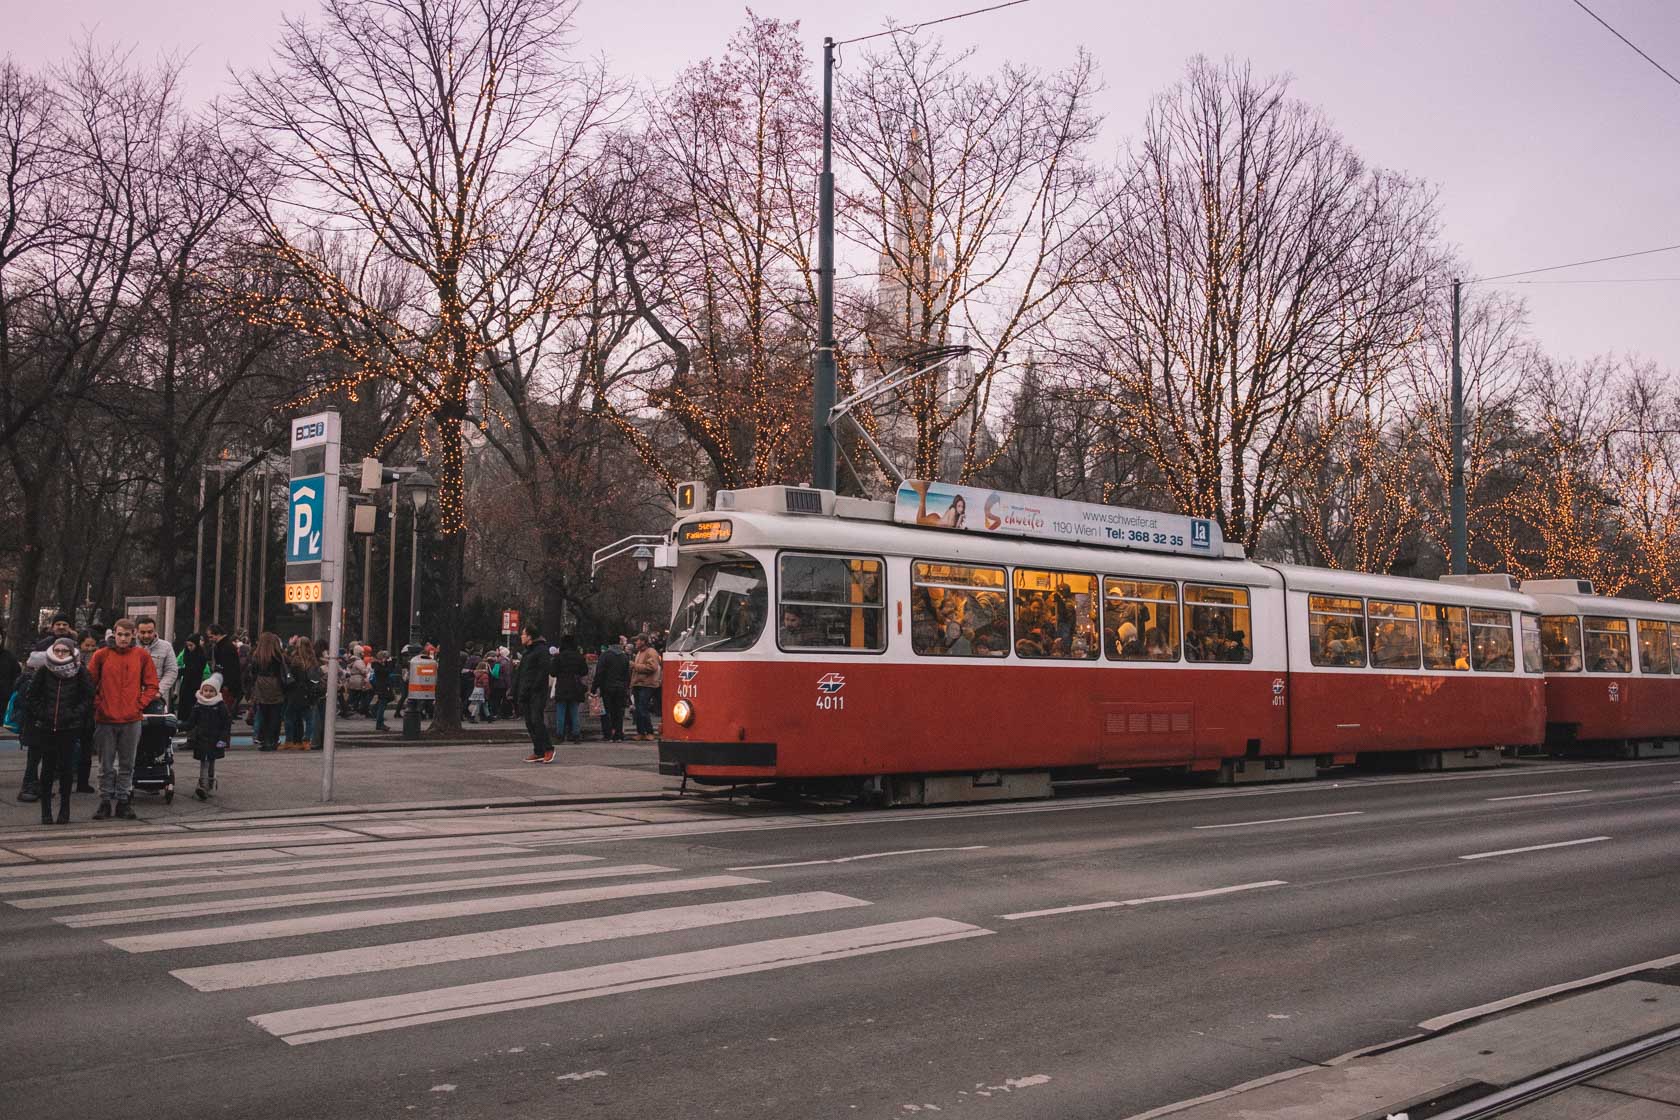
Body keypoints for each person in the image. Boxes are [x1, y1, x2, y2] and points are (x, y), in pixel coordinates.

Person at [86, 617, 159, 821]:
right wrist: (98, 704)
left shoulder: (141, 656)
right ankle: (105, 801)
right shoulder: (101, 655)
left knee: (127, 763)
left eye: (127, 635)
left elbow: (152, 684)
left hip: (131, 718)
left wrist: (139, 703)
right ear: (114, 634)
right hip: (105, 718)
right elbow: (88, 684)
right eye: (120, 634)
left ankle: (123, 800)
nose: (123, 639)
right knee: (105, 765)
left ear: (133, 635)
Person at [21, 638, 93, 825]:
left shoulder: (79, 671)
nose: (60, 654)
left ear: (71, 652)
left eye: (65, 651)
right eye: (58, 650)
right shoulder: (45, 670)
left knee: (67, 770)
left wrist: (73, 715)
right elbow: (31, 696)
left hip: (69, 728)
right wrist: (43, 713)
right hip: (46, 728)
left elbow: (87, 697)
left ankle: (65, 809)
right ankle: (46, 811)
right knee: (47, 770)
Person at [181, 672, 232, 800]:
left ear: (216, 692)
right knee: (205, 761)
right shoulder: (198, 705)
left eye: (211, 691)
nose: (208, 693)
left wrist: (223, 739)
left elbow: (226, 724)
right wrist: (180, 726)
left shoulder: (220, 706)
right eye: (206, 690)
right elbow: (191, 722)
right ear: (201, 691)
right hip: (202, 738)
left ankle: (207, 783)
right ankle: (203, 785)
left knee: (210, 762)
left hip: (215, 739)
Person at [515, 624, 554, 763]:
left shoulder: (541, 650)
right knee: (530, 722)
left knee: (536, 720)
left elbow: (543, 671)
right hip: (525, 691)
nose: (522, 636)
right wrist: (514, 690)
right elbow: (521, 673)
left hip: (536, 692)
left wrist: (535, 687)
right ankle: (538, 750)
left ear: (530, 636)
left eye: (524, 634)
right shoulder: (527, 652)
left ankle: (548, 748)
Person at [245, 632, 290, 751]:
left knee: (263, 713)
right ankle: (272, 740)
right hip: (275, 685)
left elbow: (252, 673)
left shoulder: (256, 656)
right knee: (275, 715)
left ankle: (263, 740)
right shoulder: (278, 656)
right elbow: (284, 672)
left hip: (261, 685)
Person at [134, 617, 177, 713]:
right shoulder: (131, 647)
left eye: (150, 632)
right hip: (133, 697)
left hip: (154, 698)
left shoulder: (166, 647)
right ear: (136, 631)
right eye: (143, 632)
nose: (146, 635)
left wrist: (159, 691)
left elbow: (171, 671)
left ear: (155, 631)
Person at [550, 634, 588, 744]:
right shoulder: (578, 656)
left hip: (562, 685)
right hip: (575, 686)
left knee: (561, 712)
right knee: (574, 712)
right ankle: (576, 734)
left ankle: (559, 735)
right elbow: (584, 671)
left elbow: (552, 672)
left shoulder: (559, 657)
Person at [593, 638, 631, 742]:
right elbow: (627, 675)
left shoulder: (605, 656)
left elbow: (599, 673)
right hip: (620, 688)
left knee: (606, 712)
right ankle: (618, 734)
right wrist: (626, 687)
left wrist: (594, 688)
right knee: (618, 712)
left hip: (607, 687)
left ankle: (608, 734)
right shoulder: (624, 656)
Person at [629, 635, 663, 741]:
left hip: (647, 684)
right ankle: (641, 732)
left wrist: (635, 666)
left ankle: (649, 732)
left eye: (637, 640)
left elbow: (652, 667)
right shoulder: (639, 652)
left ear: (643, 641)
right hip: (639, 684)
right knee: (638, 709)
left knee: (643, 708)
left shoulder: (651, 652)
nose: (636, 642)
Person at [369, 650, 396, 731]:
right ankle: (379, 723)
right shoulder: (377, 666)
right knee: (382, 705)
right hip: (382, 687)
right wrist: (389, 663)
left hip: (383, 686)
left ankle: (379, 720)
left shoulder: (380, 665)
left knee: (384, 703)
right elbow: (387, 671)